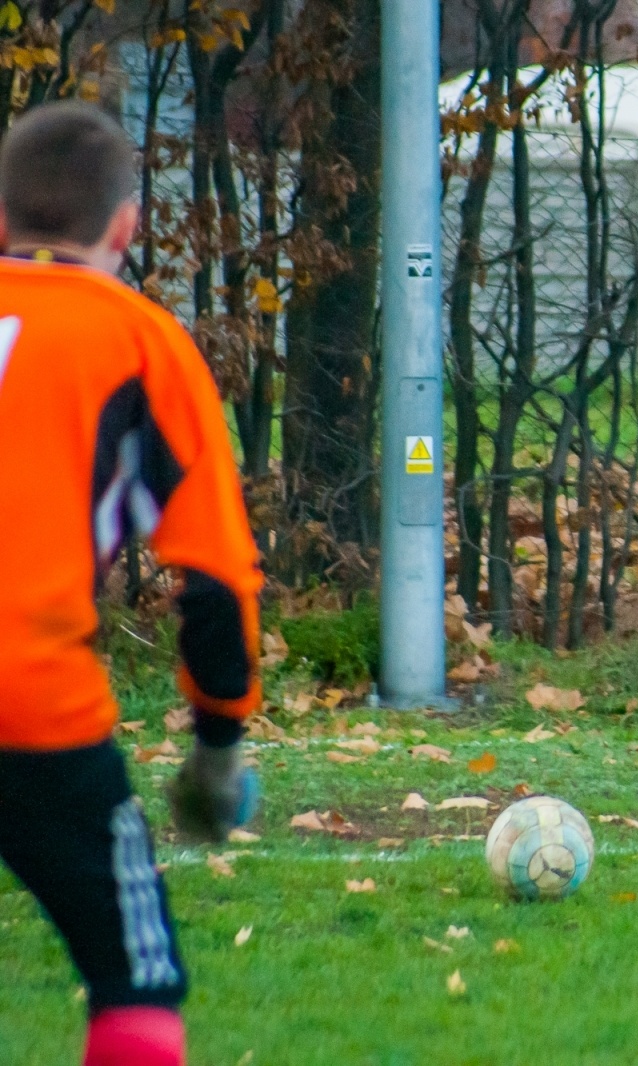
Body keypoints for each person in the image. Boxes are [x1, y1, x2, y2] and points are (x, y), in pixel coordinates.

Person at [0, 101, 263, 1066]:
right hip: (32, 706)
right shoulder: (141, 342)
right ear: (127, 225)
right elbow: (215, 582)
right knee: (137, 981)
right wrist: (217, 747)